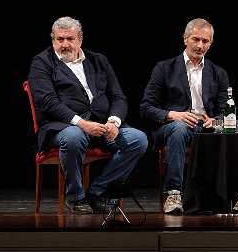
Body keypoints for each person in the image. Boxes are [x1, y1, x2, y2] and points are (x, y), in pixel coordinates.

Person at [27, 16, 148, 214]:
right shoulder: (42, 62)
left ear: (80, 40)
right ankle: (76, 196)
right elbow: (48, 102)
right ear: (53, 40)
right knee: (74, 136)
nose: (65, 44)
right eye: (60, 39)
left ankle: (98, 191)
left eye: (70, 39)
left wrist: (113, 122)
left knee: (138, 139)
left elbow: (118, 97)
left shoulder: (98, 60)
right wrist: (81, 123)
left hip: (101, 126)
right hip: (62, 128)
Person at [140, 18, 238, 214]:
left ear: (210, 43)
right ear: (185, 39)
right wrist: (174, 115)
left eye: (205, 41)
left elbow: (223, 110)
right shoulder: (164, 68)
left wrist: (215, 120)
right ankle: (174, 194)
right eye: (196, 39)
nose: (200, 46)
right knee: (179, 128)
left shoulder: (218, 73)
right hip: (175, 127)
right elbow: (146, 108)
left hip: (207, 127)